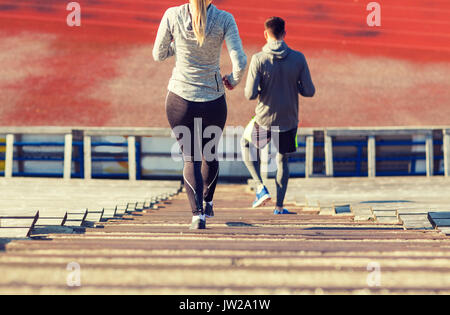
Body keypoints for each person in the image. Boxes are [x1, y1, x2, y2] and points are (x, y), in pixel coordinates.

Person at [153, 0, 247, 229]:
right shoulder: (225, 19)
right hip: (213, 101)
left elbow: (158, 54)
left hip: (179, 99)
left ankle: (198, 216)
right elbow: (241, 62)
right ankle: (208, 201)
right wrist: (233, 80)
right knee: (209, 153)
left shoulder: (172, 15)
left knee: (190, 157)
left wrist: (180, 45)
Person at [242, 16, 315, 214]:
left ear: (266, 34)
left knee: (246, 144)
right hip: (289, 121)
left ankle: (260, 187)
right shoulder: (298, 58)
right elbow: (309, 91)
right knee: (283, 160)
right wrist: (295, 84)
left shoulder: (258, 59)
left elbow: (249, 95)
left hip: (264, 120)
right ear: (284, 34)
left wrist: (260, 88)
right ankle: (279, 207)